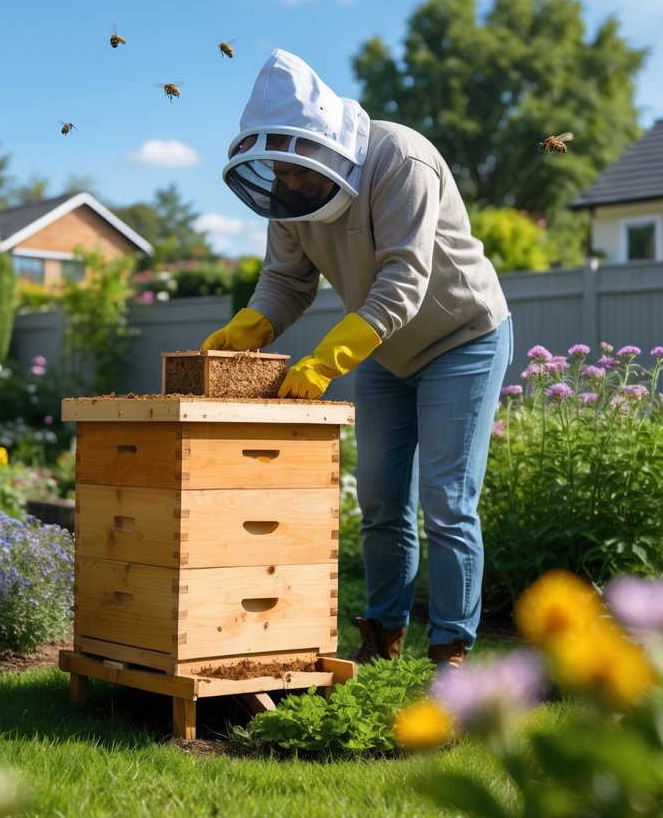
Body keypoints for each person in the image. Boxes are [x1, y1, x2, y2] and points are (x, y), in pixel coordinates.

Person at [202, 49, 512, 670]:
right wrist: (249, 326)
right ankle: (383, 638)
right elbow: (286, 281)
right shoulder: (293, 200)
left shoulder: (402, 158)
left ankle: (450, 648)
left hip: (463, 338)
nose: (288, 184)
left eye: (296, 169)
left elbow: (402, 279)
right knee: (378, 499)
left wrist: (322, 362)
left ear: (328, 143)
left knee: (447, 498)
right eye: (279, 172)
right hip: (381, 350)